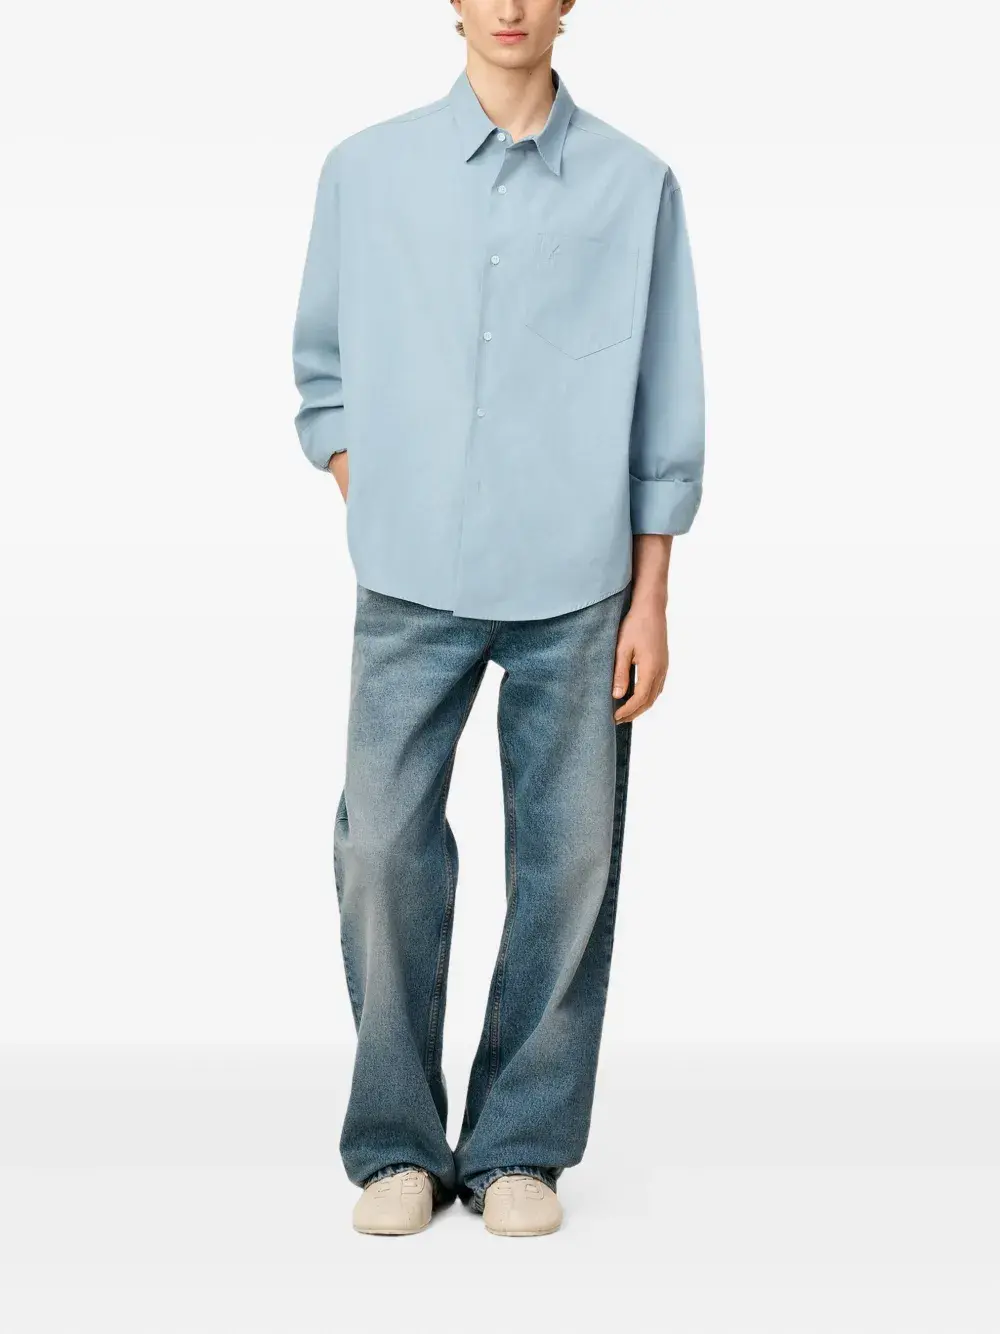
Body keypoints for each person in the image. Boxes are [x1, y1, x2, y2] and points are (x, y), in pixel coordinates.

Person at [291, 0, 705, 1238]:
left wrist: (651, 597)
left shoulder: (637, 186)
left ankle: (521, 1142)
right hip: (409, 580)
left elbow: (664, 399)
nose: (513, 6)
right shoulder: (364, 171)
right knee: (381, 851)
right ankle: (396, 1144)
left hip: (578, 587)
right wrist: (373, 487)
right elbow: (324, 370)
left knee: (568, 865)